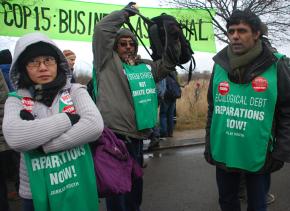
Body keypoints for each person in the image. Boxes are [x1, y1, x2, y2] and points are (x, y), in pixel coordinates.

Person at [90, 2, 180, 211]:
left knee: (134, 189)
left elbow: (168, 63)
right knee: (117, 190)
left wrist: (173, 39)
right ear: (114, 47)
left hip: (138, 137)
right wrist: (125, 14)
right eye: (123, 44)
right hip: (114, 137)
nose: (128, 47)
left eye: (131, 43)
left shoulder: (144, 67)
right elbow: (101, 30)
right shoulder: (106, 63)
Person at [2, 32, 104, 211]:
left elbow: (94, 126)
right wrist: (68, 119)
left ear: (58, 64)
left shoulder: (75, 91)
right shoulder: (16, 100)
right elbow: (16, 138)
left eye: (48, 60)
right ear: (23, 67)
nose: (42, 67)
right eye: (33, 62)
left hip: (76, 182)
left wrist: (43, 145)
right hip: (35, 192)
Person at [204, 9, 290, 211]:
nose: (235, 36)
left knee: (257, 205)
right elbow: (213, 108)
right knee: (227, 202)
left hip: (258, 153)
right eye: (231, 31)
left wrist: (281, 152)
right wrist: (209, 144)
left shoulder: (277, 64)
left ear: (256, 33)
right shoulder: (219, 65)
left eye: (241, 30)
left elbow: (287, 111)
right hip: (224, 150)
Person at [159, 71, 180, 138]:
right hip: (174, 96)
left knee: (163, 115)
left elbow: (162, 86)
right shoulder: (174, 72)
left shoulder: (163, 72)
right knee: (170, 115)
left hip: (166, 97)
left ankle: (163, 132)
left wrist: (161, 95)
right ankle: (170, 133)